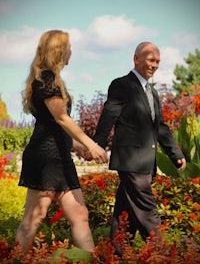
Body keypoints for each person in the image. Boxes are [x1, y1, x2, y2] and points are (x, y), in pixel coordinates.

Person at [15, 30, 108, 252]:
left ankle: (91, 258)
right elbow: (61, 118)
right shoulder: (46, 80)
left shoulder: (51, 80)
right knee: (34, 218)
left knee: (80, 215)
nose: (71, 51)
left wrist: (76, 146)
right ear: (59, 50)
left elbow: (53, 125)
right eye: (69, 47)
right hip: (45, 159)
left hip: (59, 157)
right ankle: (13, 259)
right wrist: (91, 144)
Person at [93, 42, 186, 254]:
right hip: (130, 160)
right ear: (136, 59)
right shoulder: (121, 85)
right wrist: (96, 144)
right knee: (147, 209)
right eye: (151, 60)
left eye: (158, 62)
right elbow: (110, 115)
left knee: (124, 211)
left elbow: (159, 126)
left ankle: (114, 253)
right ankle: (163, 253)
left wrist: (175, 153)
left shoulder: (152, 93)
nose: (154, 65)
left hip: (146, 161)